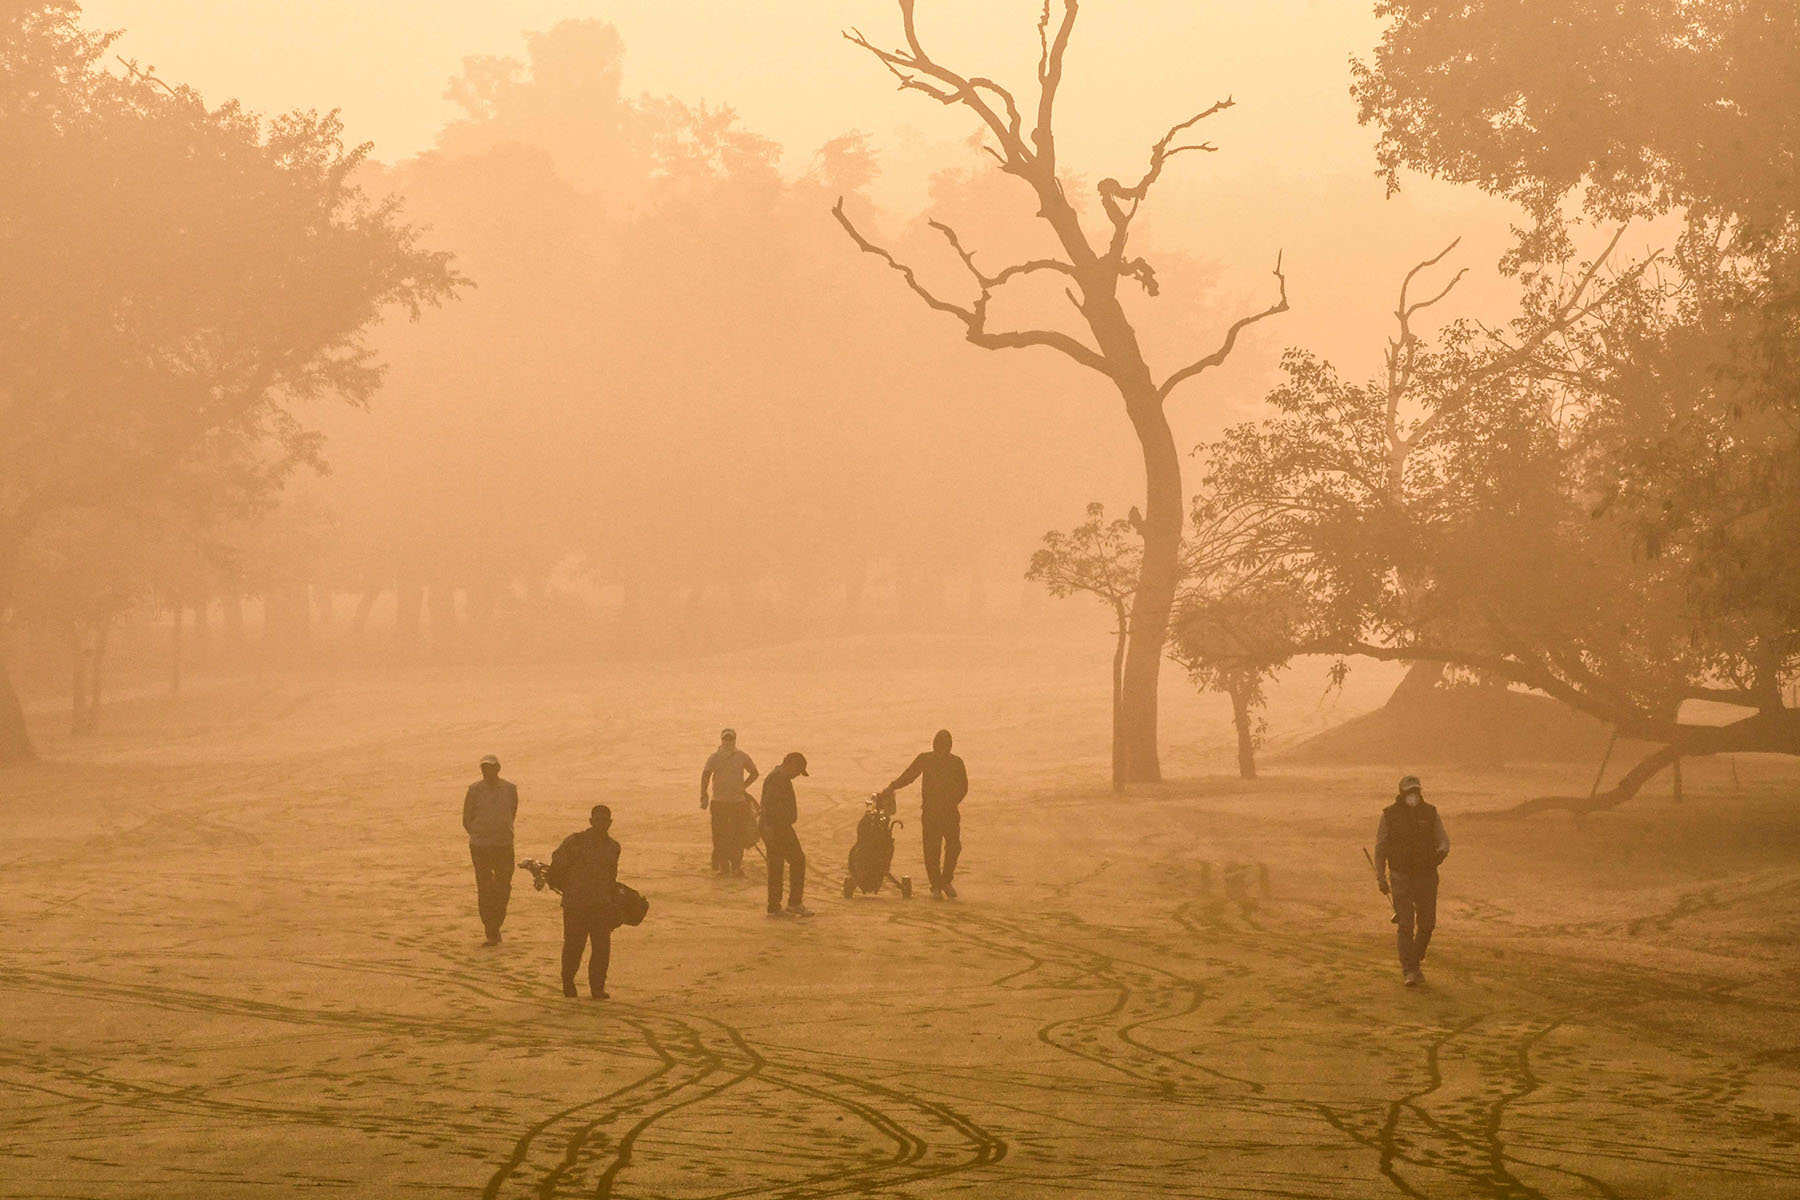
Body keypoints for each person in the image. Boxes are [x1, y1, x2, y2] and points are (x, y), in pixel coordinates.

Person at [1373, 774, 1450, 986]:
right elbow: (1380, 849)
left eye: (1415, 791)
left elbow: (1443, 841)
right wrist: (1381, 877)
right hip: (1400, 877)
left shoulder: (1430, 813)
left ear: (1420, 792)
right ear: (1402, 793)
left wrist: (1438, 856)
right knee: (1405, 924)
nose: (1412, 796)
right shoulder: (1389, 815)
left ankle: (1413, 960)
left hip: (1427, 876)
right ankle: (1410, 969)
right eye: (1409, 792)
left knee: (1427, 925)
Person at [882, 730, 968, 899]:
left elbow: (963, 787)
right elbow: (909, 775)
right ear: (934, 745)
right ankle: (936, 885)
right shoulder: (926, 759)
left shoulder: (956, 763)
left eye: (944, 746)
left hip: (950, 813)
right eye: (939, 745)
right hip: (930, 813)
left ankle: (945, 880)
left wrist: (952, 802)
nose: (941, 749)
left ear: (949, 747)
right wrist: (892, 786)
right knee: (931, 850)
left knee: (954, 847)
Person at [549, 804, 622, 999]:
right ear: (591, 821)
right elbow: (557, 863)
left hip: (601, 905)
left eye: (605, 821)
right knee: (574, 946)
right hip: (575, 904)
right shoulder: (575, 841)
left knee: (601, 948)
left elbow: (611, 878)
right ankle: (568, 981)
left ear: (610, 823)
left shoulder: (614, 847)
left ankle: (597, 988)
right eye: (597, 820)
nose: (601, 824)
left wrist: (613, 905)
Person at [462, 753, 519, 946]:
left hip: (504, 844)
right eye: (484, 768)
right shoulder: (474, 790)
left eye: (491, 768)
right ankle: (491, 929)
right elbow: (466, 818)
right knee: (485, 888)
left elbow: (512, 812)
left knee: (503, 887)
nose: (487, 771)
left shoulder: (510, 789)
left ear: (498, 768)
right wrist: (480, 835)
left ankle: (495, 924)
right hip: (480, 846)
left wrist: (502, 832)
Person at [760, 752, 813, 918]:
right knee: (794, 861)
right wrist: (769, 827)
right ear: (790, 763)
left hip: (777, 827)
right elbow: (768, 805)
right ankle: (790, 904)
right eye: (798, 770)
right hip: (778, 828)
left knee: (780, 865)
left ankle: (777, 906)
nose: (798, 775)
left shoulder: (779, 777)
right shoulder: (778, 778)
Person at [700, 728, 759, 876]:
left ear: (735, 740)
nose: (728, 742)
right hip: (718, 802)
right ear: (721, 740)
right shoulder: (714, 757)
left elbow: (754, 773)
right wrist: (704, 794)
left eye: (730, 739)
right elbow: (706, 775)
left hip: (738, 802)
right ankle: (723, 866)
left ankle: (736, 866)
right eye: (725, 739)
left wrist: (743, 787)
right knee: (719, 835)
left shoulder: (742, 756)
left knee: (737, 835)